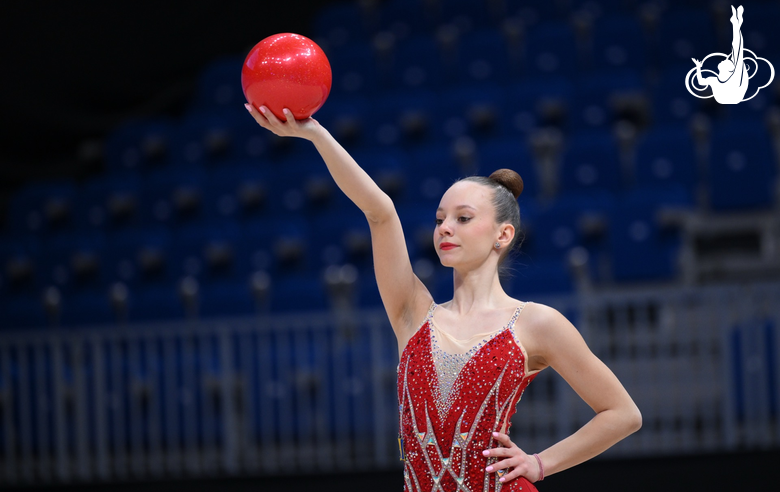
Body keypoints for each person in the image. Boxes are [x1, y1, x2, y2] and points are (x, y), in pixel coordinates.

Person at [244, 103, 642, 491]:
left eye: (463, 218)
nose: (445, 228)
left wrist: (539, 464)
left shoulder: (536, 323)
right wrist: (315, 133)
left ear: (502, 235)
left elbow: (623, 414)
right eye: (439, 219)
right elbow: (380, 211)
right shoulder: (412, 312)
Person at [692, 5, 748, 104]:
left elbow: (738, 49)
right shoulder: (714, 80)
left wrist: (736, 26)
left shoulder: (734, 79)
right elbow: (701, 82)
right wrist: (698, 67)